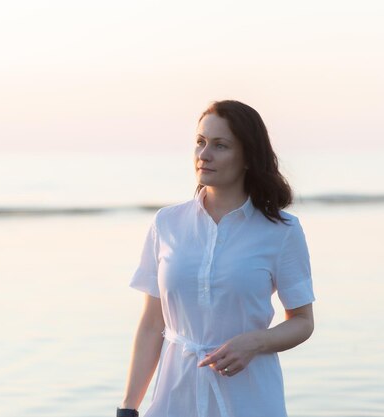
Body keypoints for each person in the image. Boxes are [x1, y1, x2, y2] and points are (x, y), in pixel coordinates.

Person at [117, 100, 315, 417]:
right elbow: (153, 324)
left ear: (248, 157)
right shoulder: (166, 224)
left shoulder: (281, 231)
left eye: (220, 145)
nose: (204, 154)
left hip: (250, 399)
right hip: (175, 398)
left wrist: (255, 342)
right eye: (200, 142)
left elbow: (303, 322)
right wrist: (128, 406)